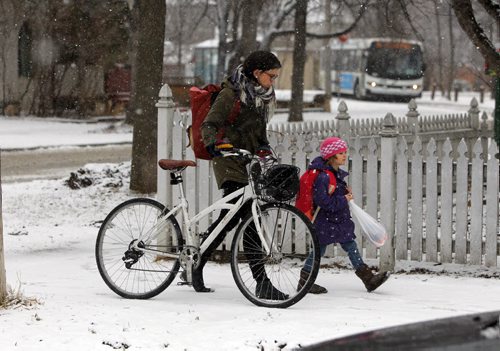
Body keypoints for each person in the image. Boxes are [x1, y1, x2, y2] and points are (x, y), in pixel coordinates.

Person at [183, 50, 287, 300]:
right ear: (256, 73)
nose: (273, 81)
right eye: (270, 76)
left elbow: (258, 130)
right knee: (248, 219)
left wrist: (264, 148)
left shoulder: (260, 97)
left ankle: (197, 261)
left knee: (231, 219)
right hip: (229, 159)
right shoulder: (232, 93)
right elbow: (210, 123)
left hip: (248, 160)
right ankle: (261, 282)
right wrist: (215, 145)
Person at [297, 137, 390, 294]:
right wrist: (343, 199)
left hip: (337, 220)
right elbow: (323, 201)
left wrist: (344, 192)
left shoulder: (333, 173)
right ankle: (305, 283)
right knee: (320, 250)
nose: (344, 155)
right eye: (341, 153)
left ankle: (368, 279)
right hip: (326, 221)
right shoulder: (324, 176)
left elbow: (332, 195)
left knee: (348, 245)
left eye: (345, 152)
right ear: (331, 156)